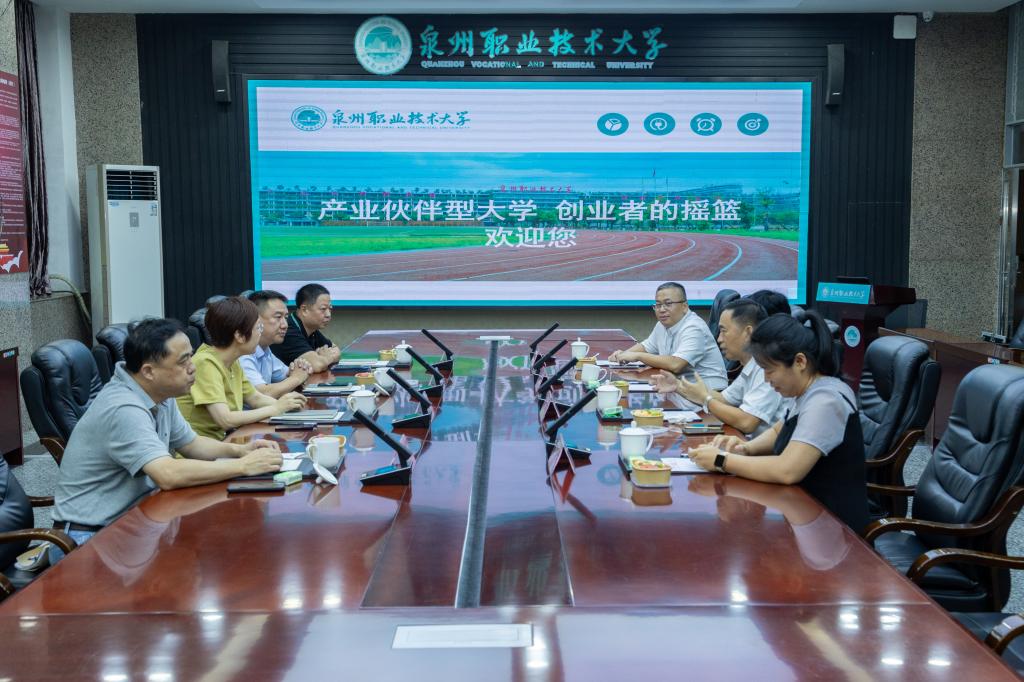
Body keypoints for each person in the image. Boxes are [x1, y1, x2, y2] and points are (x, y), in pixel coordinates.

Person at [50, 318, 284, 562]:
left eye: (190, 356)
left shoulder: (160, 394)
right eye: (183, 361)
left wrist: (241, 451)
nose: (193, 367)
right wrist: (243, 467)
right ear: (149, 371)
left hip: (136, 520)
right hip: (89, 538)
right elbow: (167, 474)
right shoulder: (123, 407)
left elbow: (192, 444)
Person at [687, 310, 868, 531]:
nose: (766, 379)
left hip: (833, 528)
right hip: (801, 509)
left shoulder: (826, 400)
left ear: (800, 362)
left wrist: (721, 460)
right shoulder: (806, 391)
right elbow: (778, 431)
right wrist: (745, 448)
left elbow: (787, 470)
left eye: (769, 370)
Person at [651, 298, 788, 436]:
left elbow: (747, 423)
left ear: (748, 333)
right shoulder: (751, 365)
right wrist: (677, 386)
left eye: (724, 331)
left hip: (761, 447)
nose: (719, 339)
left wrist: (705, 399)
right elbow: (724, 400)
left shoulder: (766, 368)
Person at [177, 297, 306, 440]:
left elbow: (255, 398)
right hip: (205, 448)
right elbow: (225, 419)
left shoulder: (233, 362)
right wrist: (276, 408)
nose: (260, 333)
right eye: (258, 328)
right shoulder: (205, 363)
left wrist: (288, 406)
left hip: (227, 441)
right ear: (239, 336)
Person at [608, 282, 727, 390]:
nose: (662, 309)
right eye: (658, 305)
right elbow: (646, 346)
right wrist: (622, 355)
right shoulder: (662, 325)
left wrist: (637, 356)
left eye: (668, 304)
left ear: (684, 306)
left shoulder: (694, 327)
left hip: (710, 393)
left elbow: (676, 364)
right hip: (680, 388)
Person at [241, 290, 314, 397]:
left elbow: (288, 374)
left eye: (286, 318)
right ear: (255, 320)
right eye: (278, 317)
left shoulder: (265, 349)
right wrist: (296, 378)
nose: (285, 325)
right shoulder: (243, 353)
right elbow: (261, 394)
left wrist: (300, 369)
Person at [270, 283, 340, 371]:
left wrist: (322, 358)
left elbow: (336, 351)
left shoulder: (311, 329)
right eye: (323, 309)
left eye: (330, 309)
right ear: (304, 310)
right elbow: (317, 365)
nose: (328, 315)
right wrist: (325, 358)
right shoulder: (288, 331)